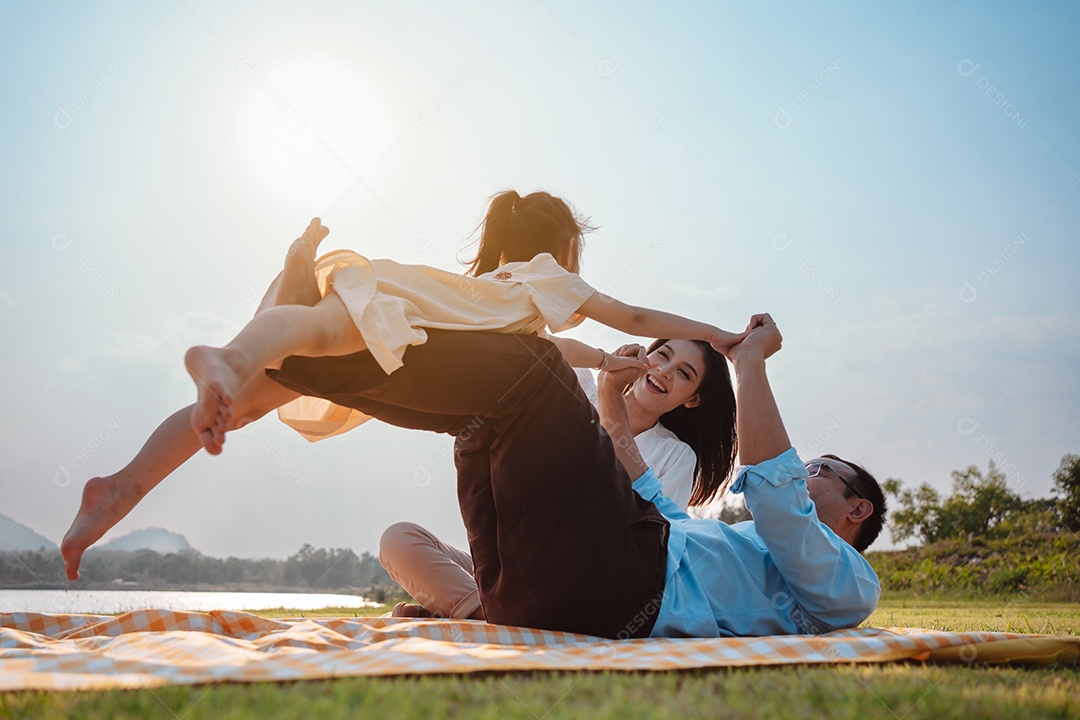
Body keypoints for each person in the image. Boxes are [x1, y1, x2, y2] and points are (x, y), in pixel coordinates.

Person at [248, 313, 887, 638]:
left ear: (856, 510)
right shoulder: (740, 546)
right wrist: (609, 406)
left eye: (822, 471)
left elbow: (778, 503)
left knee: (534, 365)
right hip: (569, 586)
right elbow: (656, 509)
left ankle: (294, 356)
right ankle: (297, 360)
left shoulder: (850, 585)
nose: (805, 471)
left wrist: (750, 367)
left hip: (629, 588)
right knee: (480, 417)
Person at [183, 191, 747, 456]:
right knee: (314, 336)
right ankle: (230, 359)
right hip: (404, 312)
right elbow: (634, 316)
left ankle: (121, 489)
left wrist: (603, 360)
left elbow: (559, 349)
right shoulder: (549, 276)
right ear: (565, 247)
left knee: (276, 370)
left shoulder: (502, 287)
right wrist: (718, 335)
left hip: (404, 287)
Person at [381, 337, 738, 619]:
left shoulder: (675, 455)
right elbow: (530, 346)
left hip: (576, 579)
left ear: (693, 400)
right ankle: (482, 613)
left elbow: (657, 541)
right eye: (663, 355)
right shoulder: (578, 385)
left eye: (684, 373)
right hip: (507, 558)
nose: (664, 370)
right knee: (399, 541)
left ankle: (470, 611)